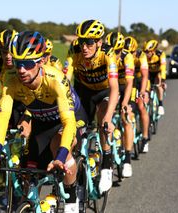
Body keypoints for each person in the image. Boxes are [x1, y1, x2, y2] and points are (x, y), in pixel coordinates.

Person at [0, 31, 87, 212]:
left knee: (58, 146)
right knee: (28, 170)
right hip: (42, 123)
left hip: (70, 119)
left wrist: (61, 157)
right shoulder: (11, 78)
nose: (21, 70)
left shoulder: (56, 79)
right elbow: (2, 117)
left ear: (40, 62)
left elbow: (68, 122)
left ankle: (72, 200)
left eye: (27, 63)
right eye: (17, 63)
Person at [64, 19, 119, 193]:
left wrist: (108, 119)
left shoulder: (107, 53)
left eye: (89, 42)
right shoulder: (74, 50)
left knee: (103, 116)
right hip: (84, 92)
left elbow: (115, 87)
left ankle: (107, 163)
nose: (84, 47)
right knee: (76, 129)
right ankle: (80, 170)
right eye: (81, 42)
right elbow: (65, 81)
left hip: (104, 92)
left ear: (99, 43)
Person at [105, 32, 135, 177]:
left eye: (117, 51)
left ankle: (128, 159)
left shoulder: (127, 57)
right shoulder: (105, 55)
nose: (114, 54)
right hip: (112, 87)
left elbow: (130, 82)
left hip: (125, 88)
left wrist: (124, 103)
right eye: (112, 50)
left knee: (125, 117)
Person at [124, 36, 150, 153]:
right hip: (129, 81)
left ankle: (145, 138)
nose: (130, 54)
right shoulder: (124, 57)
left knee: (141, 106)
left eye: (132, 52)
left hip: (141, 81)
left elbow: (145, 76)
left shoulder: (141, 56)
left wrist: (143, 92)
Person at [143, 39, 166, 116]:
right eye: (145, 52)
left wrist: (163, 80)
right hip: (149, 73)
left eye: (148, 52)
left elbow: (163, 68)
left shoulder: (160, 54)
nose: (146, 54)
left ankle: (160, 105)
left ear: (153, 51)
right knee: (146, 87)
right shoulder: (144, 56)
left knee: (159, 84)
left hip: (157, 73)